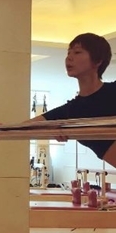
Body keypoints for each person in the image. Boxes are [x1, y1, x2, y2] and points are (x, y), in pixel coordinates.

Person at [31, 32, 116, 167]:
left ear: (98, 61)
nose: (69, 58)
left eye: (77, 52)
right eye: (68, 53)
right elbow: (22, 128)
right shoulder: (71, 111)